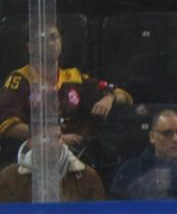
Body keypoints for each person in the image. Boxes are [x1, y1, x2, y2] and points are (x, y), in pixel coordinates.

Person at [0, 24, 131, 173]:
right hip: (33, 158)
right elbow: (7, 125)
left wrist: (109, 98)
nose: (50, 43)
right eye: (42, 39)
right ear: (30, 47)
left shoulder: (74, 77)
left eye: (53, 37)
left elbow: (123, 95)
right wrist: (53, 138)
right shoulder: (19, 80)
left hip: (75, 155)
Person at [110, 107, 177, 200]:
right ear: (152, 137)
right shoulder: (130, 170)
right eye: (167, 133)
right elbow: (117, 210)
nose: (176, 139)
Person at [0, 139, 106, 202]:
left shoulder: (87, 175)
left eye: (57, 137)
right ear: (30, 143)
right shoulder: (9, 176)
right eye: (45, 138)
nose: (52, 144)